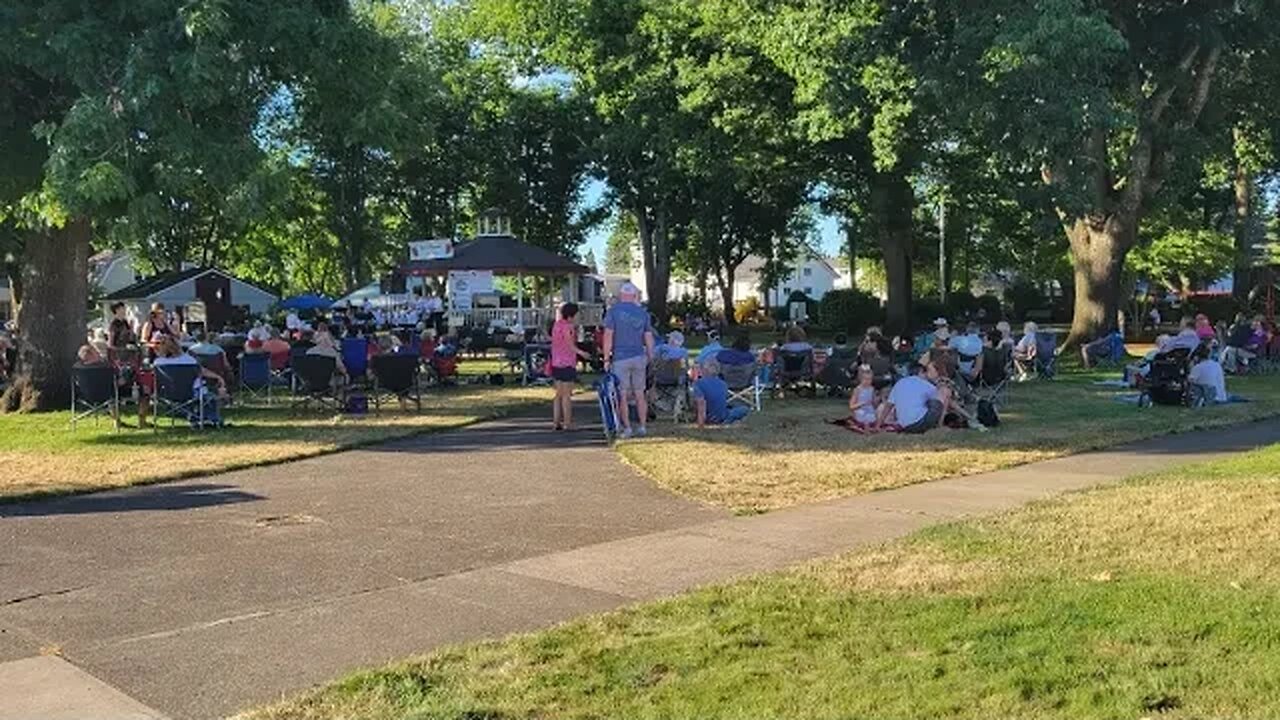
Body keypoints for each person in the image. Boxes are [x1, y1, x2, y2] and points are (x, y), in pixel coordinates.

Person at [602, 282, 655, 439]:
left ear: (621, 295)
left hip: (620, 357)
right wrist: (650, 356)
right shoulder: (643, 313)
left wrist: (606, 358)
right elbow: (648, 336)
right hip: (639, 356)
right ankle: (643, 426)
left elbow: (608, 335)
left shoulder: (613, 312)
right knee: (640, 393)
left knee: (622, 394)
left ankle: (627, 427)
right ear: (633, 296)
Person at [153, 337, 227, 427]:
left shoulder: (158, 363)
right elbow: (202, 372)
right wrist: (218, 377)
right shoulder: (189, 361)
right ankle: (209, 418)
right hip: (189, 393)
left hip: (167, 394)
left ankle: (195, 417)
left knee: (200, 392)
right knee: (207, 393)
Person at [878, 360, 950, 434]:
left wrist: (878, 425)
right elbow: (940, 400)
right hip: (920, 423)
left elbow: (888, 406)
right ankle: (940, 426)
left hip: (905, 426)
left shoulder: (899, 382)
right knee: (945, 391)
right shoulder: (926, 385)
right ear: (921, 372)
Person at [550, 303, 590, 431]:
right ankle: (567, 422)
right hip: (567, 362)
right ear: (571, 315)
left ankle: (556, 421)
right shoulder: (569, 327)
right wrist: (582, 353)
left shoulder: (556, 325)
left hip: (556, 361)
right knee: (567, 394)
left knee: (558, 394)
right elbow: (570, 345)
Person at [693, 358, 749, 427]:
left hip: (708, 417)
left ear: (704, 370)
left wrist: (700, 423)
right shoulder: (723, 384)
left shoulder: (699, 383)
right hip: (723, 416)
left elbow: (701, 403)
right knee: (744, 409)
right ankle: (730, 421)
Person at [848, 365, 880, 429]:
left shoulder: (872, 389)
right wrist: (862, 403)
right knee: (862, 416)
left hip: (869, 410)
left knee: (874, 416)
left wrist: (876, 400)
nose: (867, 381)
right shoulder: (858, 390)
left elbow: (874, 404)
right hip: (860, 409)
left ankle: (869, 425)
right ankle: (865, 425)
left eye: (869, 379)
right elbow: (851, 406)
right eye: (865, 379)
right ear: (861, 379)